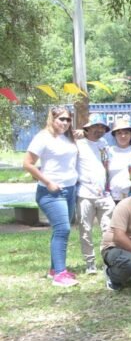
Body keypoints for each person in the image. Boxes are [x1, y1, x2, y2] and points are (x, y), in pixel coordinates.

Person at [23, 106, 80, 287]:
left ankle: (55, 269)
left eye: (68, 120)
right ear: (52, 119)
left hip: (70, 189)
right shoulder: (43, 137)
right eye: (61, 119)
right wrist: (48, 182)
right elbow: (27, 163)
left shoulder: (68, 137)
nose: (64, 123)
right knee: (63, 229)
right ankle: (60, 275)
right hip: (52, 192)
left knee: (61, 230)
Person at [76, 114, 115, 275]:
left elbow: (107, 165)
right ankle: (90, 263)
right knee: (85, 229)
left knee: (108, 229)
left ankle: (109, 260)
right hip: (84, 194)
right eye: (96, 127)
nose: (99, 131)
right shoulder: (78, 144)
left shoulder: (104, 143)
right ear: (88, 128)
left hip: (104, 195)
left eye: (102, 128)